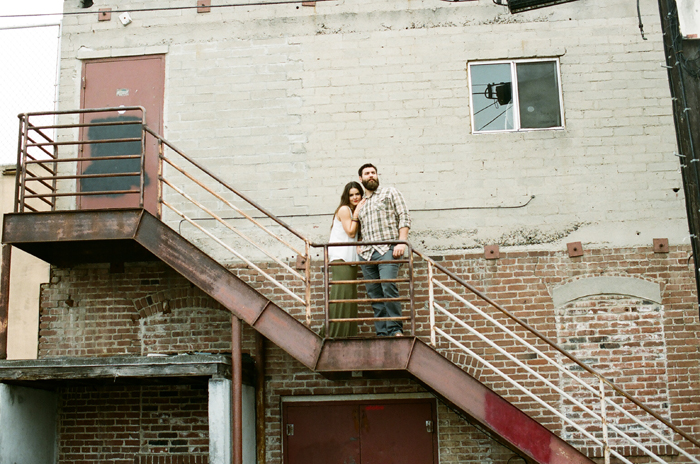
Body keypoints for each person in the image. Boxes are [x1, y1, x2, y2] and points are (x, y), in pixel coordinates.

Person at [356, 163, 411, 337]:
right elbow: (357, 227)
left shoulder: (390, 192)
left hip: (387, 249)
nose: (371, 175)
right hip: (366, 254)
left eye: (373, 172)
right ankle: (382, 333)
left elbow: (404, 215)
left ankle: (395, 330)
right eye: (367, 173)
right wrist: (358, 244)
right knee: (374, 295)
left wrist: (401, 242)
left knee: (388, 285)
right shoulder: (361, 203)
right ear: (361, 179)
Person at [325, 181, 364, 337]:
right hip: (341, 259)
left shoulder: (353, 211)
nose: (355, 197)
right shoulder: (344, 210)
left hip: (350, 260)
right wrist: (356, 214)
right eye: (351, 194)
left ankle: (348, 335)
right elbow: (351, 232)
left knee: (349, 298)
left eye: (357, 194)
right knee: (341, 296)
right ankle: (333, 335)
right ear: (346, 197)